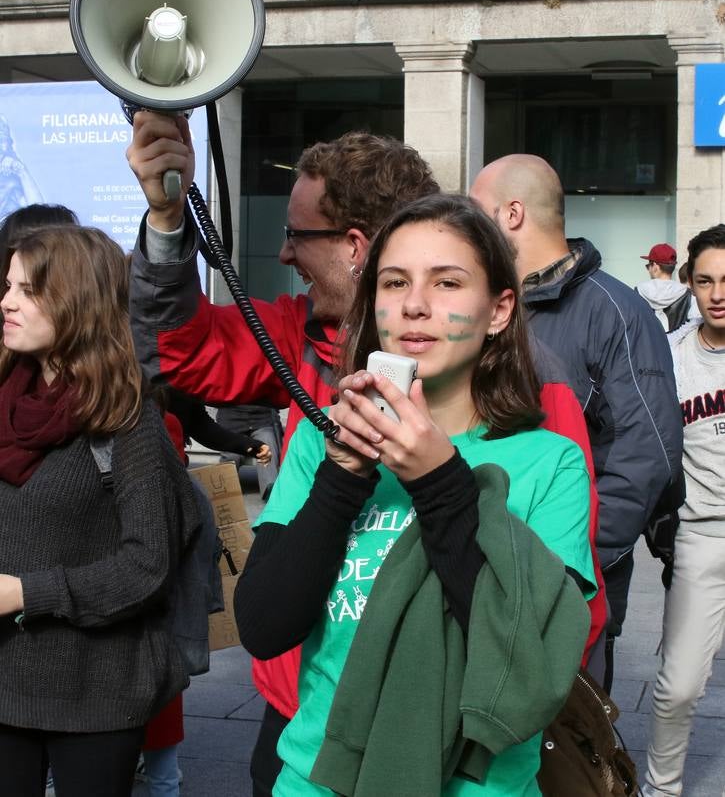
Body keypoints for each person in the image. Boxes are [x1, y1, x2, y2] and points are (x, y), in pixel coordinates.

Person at [235, 193, 595, 796]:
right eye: (395, 282)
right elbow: (265, 626)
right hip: (316, 780)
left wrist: (438, 482)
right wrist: (343, 476)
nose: (416, 306)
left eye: (448, 282)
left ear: (500, 309)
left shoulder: (549, 463)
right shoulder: (319, 444)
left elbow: (529, 656)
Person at [126, 117, 440, 794]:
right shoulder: (296, 336)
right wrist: (165, 214)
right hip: (297, 699)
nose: (286, 254)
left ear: (356, 246)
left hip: (429, 708)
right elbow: (174, 344)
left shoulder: (504, 374)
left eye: (299, 234)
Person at [470, 153, 683, 692]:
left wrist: (574, 557)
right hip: (478, 569)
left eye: (476, 213)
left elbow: (649, 452)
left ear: (511, 214)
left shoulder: (615, 311)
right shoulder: (484, 308)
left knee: (565, 757)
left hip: (573, 584)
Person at [0, 225, 200, 797]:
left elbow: (147, 569)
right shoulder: (4, 398)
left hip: (97, 695)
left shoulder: (127, 421)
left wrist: (24, 594)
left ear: (77, 301)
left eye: (26, 289)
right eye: (7, 285)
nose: (5, 301)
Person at [643, 224, 725, 797]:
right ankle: (661, 789)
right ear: (688, 286)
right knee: (677, 687)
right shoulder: (669, 357)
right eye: (706, 280)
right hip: (701, 536)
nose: (719, 292)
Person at [635, 243, 692, 332]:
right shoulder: (687, 294)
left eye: (648, 266)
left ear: (655, 267)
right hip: (677, 344)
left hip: (647, 345)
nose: (648, 270)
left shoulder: (639, 291)